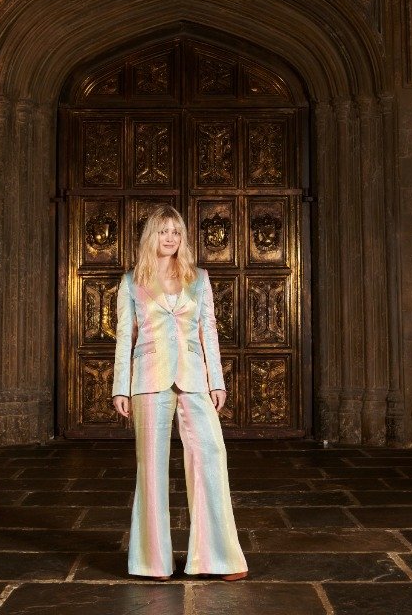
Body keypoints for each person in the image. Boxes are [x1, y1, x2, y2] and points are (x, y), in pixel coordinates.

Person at [112, 205, 248, 582]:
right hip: (148, 380)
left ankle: (217, 559)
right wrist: (119, 388)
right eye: (163, 231)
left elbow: (210, 334)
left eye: (176, 231)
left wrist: (217, 382)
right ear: (151, 236)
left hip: (194, 378)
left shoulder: (198, 278)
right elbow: (126, 338)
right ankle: (151, 563)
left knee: (210, 456)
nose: (170, 238)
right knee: (151, 470)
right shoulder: (131, 282)